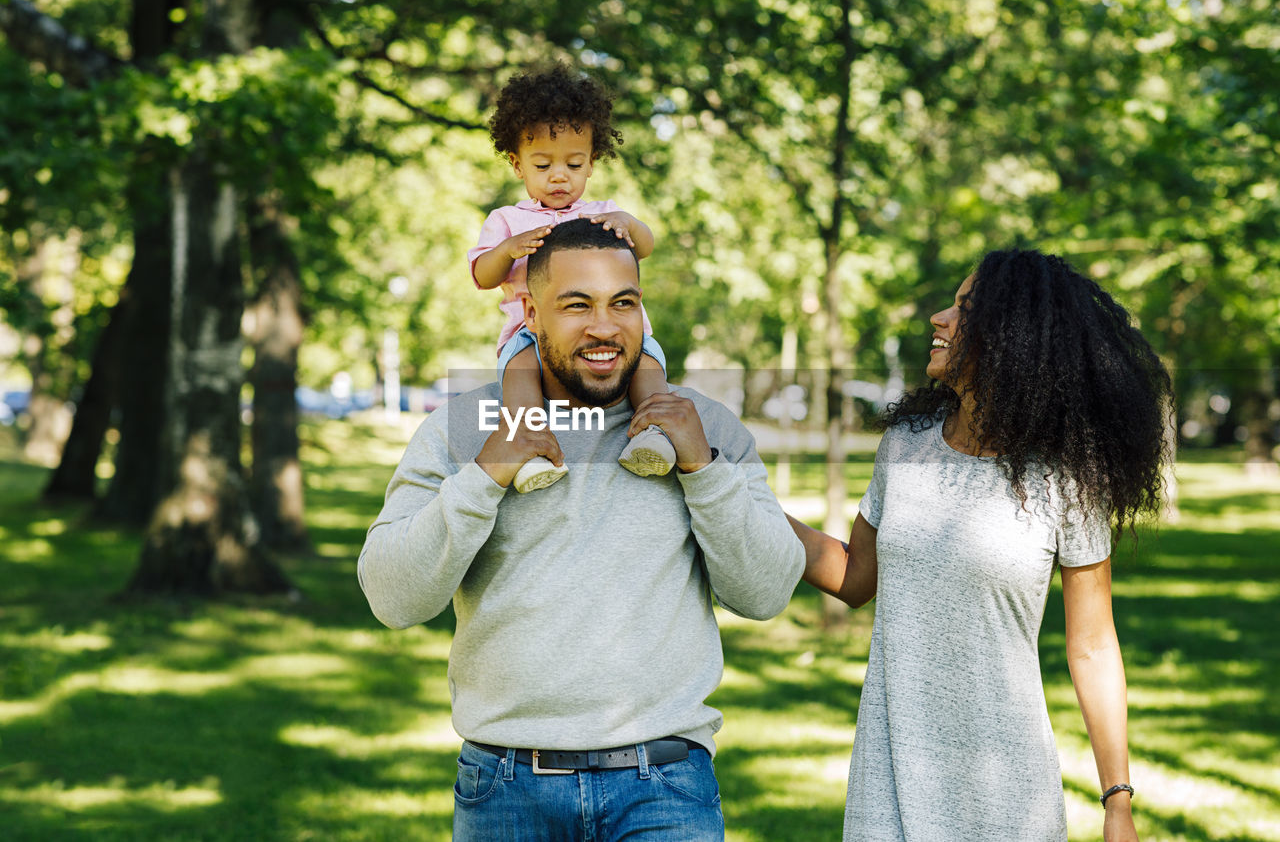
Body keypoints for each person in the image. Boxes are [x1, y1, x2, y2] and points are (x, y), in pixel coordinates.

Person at [359, 218, 805, 840]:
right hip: (506, 790)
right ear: (530, 316)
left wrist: (702, 468)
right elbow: (393, 599)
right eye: (577, 306)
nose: (605, 327)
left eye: (624, 303)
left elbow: (766, 593)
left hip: (665, 788)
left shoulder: (701, 426)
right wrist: (486, 474)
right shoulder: (463, 430)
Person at [790, 249, 1170, 841]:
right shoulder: (906, 443)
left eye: (965, 309)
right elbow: (855, 576)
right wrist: (739, 501)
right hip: (889, 783)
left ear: (1011, 337)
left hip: (1007, 795)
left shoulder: (1068, 475)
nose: (939, 318)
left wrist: (1116, 800)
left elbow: (1092, 646)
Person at [469, 61, 676, 493]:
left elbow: (647, 245)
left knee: (648, 366)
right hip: (531, 334)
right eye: (543, 164)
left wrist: (629, 222)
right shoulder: (507, 220)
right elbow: (482, 275)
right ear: (517, 164)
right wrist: (507, 250)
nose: (559, 175)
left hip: (607, 328)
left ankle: (655, 433)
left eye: (574, 164)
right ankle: (528, 447)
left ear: (591, 163)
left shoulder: (602, 213)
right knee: (520, 375)